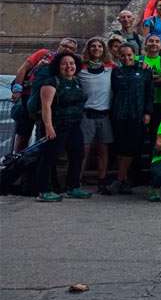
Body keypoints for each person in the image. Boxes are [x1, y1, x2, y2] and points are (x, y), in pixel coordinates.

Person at [35, 51, 91, 202]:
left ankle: (73, 187)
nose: (69, 66)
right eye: (64, 63)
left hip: (74, 124)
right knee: (49, 157)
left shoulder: (77, 81)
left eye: (72, 63)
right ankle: (44, 190)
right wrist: (48, 126)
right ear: (58, 66)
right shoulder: (51, 82)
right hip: (56, 125)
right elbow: (46, 106)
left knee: (77, 154)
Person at [10, 37, 78, 153]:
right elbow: (23, 69)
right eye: (64, 45)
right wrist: (17, 90)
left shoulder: (71, 64)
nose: (67, 49)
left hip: (51, 103)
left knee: (42, 136)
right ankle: (18, 163)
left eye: (71, 48)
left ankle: (36, 164)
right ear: (59, 45)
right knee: (23, 135)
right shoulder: (44, 54)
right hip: (29, 97)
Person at [109, 44, 153, 194]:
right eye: (123, 55)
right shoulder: (116, 72)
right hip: (119, 114)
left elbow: (149, 93)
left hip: (137, 114)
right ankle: (124, 180)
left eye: (129, 55)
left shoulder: (144, 71)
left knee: (130, 147)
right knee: (121, 147)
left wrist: (147, 112)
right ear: (118, 57)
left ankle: (120, 179)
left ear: (135, 54)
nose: (126, 58)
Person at [78, 37, 115, 194]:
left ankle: (102, 181)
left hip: (104, 114)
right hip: (86, 114)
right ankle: (76, 181)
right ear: (88, 49)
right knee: (83, 151)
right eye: (93, 46)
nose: (96, 48)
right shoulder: (80, 68)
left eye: (100, 46)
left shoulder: (111, 67)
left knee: (103, 150)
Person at [140, 34, 161, 151]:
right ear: (146, 44)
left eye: (157, 41)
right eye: (151, 41)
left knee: (156, 133)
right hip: (141, 102)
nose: (154, 43)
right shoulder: (138, 59)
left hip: (159, 101)